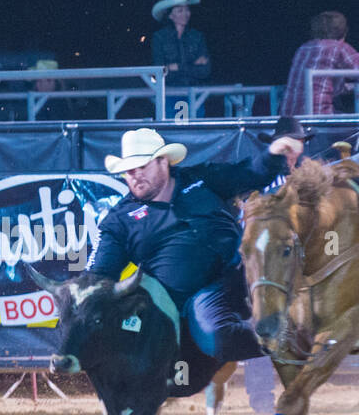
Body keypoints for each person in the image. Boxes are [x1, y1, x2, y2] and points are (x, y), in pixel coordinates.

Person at [86, 118, 305, 366]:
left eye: (142, 167)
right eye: (129, 171)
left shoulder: (201, 178)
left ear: (163, 162)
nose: (135, 176)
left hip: (242, 273)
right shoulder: (119, 220)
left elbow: (249, 173)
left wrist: (274, 152)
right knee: (215, 337)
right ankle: (294, 336)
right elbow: (99, 274)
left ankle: (312, 320)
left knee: (280, 249)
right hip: (193, 294)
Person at [149, 0, 210, 118]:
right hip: (170, 94)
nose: (186, 14)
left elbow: (205, 70)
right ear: (170, 15)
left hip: (195, 93)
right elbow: (159, 72)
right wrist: (192, 65)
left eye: (187, 9)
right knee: (173, 133)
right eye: (180, 10)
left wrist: (176, 67)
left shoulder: (197, 36)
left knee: (196, 133)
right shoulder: (159, 37)